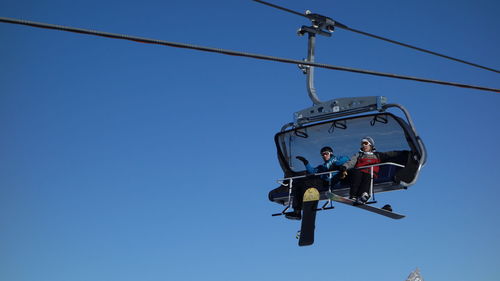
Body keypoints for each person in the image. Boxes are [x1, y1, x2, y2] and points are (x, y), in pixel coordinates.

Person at [285, 146, 349, 220]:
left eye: (326, 154)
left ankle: (302, 207)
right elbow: (312, 171)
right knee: (300, 185)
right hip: (323, 182)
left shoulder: (337, 159)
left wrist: (335, 164)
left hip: (333, 180)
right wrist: (306, 162)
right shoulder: (322, 166)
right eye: (322, 155)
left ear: (331, 154)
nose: (324, 156)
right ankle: (297, 211)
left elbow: (346, 158)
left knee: (306, 183)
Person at [339, 136, 400, 204]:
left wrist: (400, 154)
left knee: (367, 176)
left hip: (370, 172)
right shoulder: (359, 155)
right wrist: (344, 167)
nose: (363, 145)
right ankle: (353, 195)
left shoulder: (377, 155)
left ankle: (364, 194)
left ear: (370, 144)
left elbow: (389, 155)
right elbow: (351, 162)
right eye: (362, 144)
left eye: (365, 143)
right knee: (357, 175)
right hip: (359, 172)